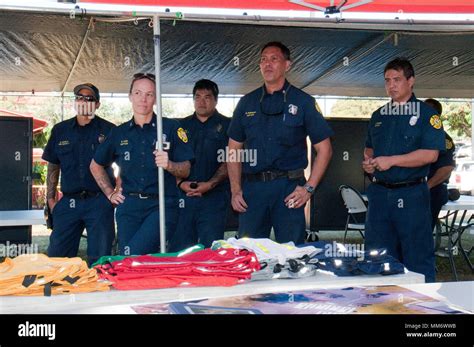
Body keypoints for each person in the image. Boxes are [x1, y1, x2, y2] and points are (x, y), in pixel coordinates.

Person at [227, 41, 333, 245]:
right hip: (253, 190)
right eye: (263, 60)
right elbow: (233, 150)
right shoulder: (246, 102)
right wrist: (235, 190)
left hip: (289, 189)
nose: (267, 64)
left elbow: (325, 149)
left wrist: (309, 188)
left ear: (287, 65)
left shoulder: (303, 102)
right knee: (249, 254)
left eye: (274, 59)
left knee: (292, 254)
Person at [90, 73, 194, 255]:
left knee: (135, 254)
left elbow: (186, 170)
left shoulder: (170, 128)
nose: (143, 99)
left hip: (161, 205)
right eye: (138, 93)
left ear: (155, 98)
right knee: (128, 260)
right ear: (130, 96)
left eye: (149, 94)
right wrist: (109, 193)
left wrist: (169, 164)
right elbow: (95, 165)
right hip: (129, 206)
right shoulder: (119, 133)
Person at [362, 58, 445, 282]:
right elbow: (369, 150)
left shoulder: (428, 115)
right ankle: (379, 304)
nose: (391, 85)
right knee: (377, 257)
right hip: (379, 194)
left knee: (417, 258)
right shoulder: (378, 116)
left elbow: (431, 154)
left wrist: (392, 160)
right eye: (387, 80)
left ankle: (422, 310)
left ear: (411, 81)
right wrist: (369, 162)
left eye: (397, 79)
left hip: (411, 195)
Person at [42, 83, 115, 265]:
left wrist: (115, 194)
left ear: (97, 104)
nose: (83, 101)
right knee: (57, 259)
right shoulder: (60, 130)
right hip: (69, 203)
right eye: (79, 97)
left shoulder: (109, 130)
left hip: (99, 203)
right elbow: (53, 164)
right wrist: (51, 200)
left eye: (88, 98)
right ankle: (61, 293)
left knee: (100, 261)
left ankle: (100, 292)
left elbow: (123, 164)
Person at [169, 79, 231, 250]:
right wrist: (180, 184)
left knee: (211, 250)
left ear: (216, 100)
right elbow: (170, 160)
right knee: (180, 250)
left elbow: (232, 160)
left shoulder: (229, 126)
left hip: (214, 197)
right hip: (183, 197)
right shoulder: (180, 126)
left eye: (207, 97)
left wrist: (209, 185)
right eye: (198, 97)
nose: (202, 102)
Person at [424, 98, 456, 231]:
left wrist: (427, 186)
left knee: (423, 229)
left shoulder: (443, 139)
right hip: (412, 188)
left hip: (432, 190)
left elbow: (446, 168)